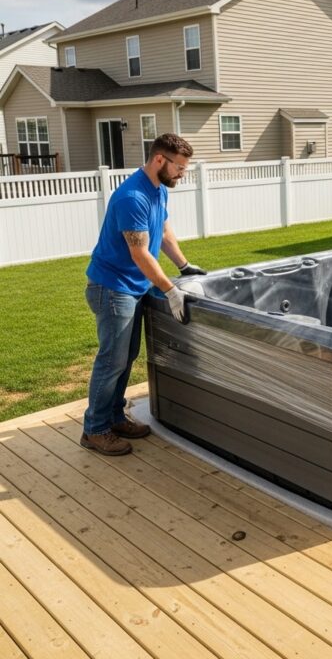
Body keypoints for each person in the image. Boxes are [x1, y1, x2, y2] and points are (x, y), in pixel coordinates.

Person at [82, 133, 206, 456]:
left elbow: (162, 231)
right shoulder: (132, 197)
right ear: (160, 160)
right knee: (112, 360)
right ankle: (94, 429)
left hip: (133, 287)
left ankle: (113, 417)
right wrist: (170, 289)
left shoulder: (158, 189)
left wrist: (184, 265)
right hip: (113, 288)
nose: (182, 174)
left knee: (126, 357)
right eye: (180, 167)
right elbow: (139, 253)